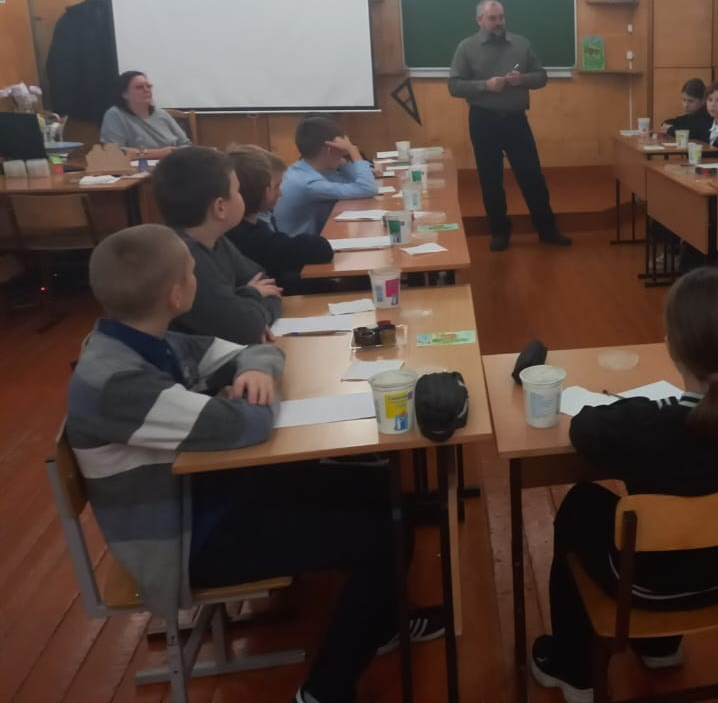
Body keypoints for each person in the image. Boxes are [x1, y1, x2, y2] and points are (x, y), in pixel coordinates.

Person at [66, 225, 445, 703]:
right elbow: (249, 425)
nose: (199, 279)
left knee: (383, 489)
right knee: (383, 531)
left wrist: (251, 374)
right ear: (178, 294)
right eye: (193, 271)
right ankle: (324, 690)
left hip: (210, 490)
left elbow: (257, 350)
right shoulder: (117, 381)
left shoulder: (145, 339)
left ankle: (379, 620)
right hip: (182, 538)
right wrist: (250, 395)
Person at [530, 268, 718, 702]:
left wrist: (646, 406)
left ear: (671, 347)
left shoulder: (644, 426)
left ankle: (573, 667)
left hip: (644, 586)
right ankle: (660, 646)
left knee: (581, 503)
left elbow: (584, 429)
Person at [448, 0, 572, 252]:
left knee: (532, 176)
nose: (498, 23)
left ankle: (547, 230)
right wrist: (485, 85)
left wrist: (522, 79)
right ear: (480, 20)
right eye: (492, 18)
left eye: (501, 17)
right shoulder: (466, 47)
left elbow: (542, 77)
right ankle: (499, 232)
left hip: (516, 120)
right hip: (483, 120)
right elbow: (454, 86)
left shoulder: (521, 43)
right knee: (490, 179)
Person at [152, 146, 282, 344]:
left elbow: (269, 286)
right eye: (237, 191)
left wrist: (243, 304)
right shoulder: (187, 261)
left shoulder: (216, 240)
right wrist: (252, 294)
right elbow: (247, 329)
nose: (241, 196)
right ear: (220, 207)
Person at [226, 144, 333, 292]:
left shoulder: (255, 226)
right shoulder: (249, 237)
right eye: (277, 186)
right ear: (263, 191)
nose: (281, 193)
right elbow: (319, 249)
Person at [273, 116, 378, 237]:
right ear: (330, 149)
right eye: (342, 151)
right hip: (298, 247)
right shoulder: (308, 183)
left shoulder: (305, 169)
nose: (344, 155)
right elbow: (367, 188)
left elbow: (353, 182)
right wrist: (353, 151)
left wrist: (343, 163)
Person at [99, 70, 190, 160]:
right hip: (138, 168)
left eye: (148, 86)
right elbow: (114, 152)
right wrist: (158, 153)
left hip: (172, 164)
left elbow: (186, 145)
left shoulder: (161, 114)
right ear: (124, 94)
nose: (146, 90)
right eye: (139, 87)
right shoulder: (115, 115)